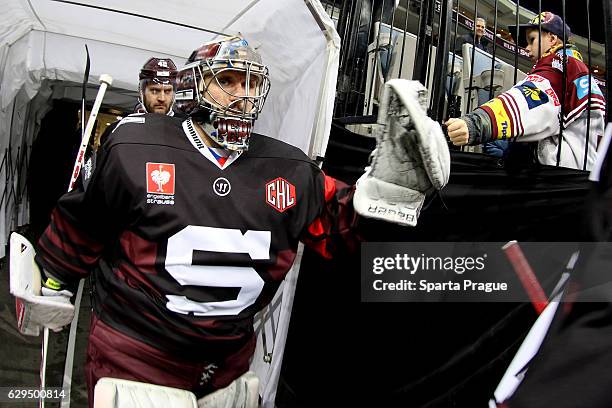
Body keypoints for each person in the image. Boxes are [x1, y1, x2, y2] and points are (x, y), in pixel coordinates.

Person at [28, 35, 449, 405]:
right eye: (227, 80)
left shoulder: (290, 167)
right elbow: (86, 221)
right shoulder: (137, 144)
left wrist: (391, 193)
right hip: (138, 354)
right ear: (194, 85)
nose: (242, 94)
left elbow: (344, 232)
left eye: (250, 82)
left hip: (228, 365)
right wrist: (56, 277)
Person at [446, 12, 605, 170]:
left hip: (560, 176)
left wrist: (476, 123)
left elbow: (528, 99)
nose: (526, 48)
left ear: (552, 38)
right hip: (585, 171)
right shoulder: (575, 66)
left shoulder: (559, 64)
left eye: (532, 40)